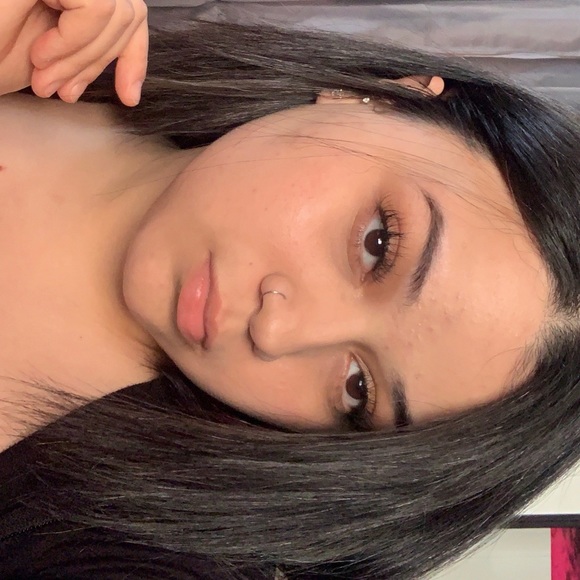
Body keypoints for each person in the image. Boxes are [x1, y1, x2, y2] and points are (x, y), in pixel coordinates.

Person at [0, 1, 579, 578]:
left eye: (357, 389)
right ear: (383, 97)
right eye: (377, 244)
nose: (276, 332)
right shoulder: (56, 24)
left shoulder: (110, 543)